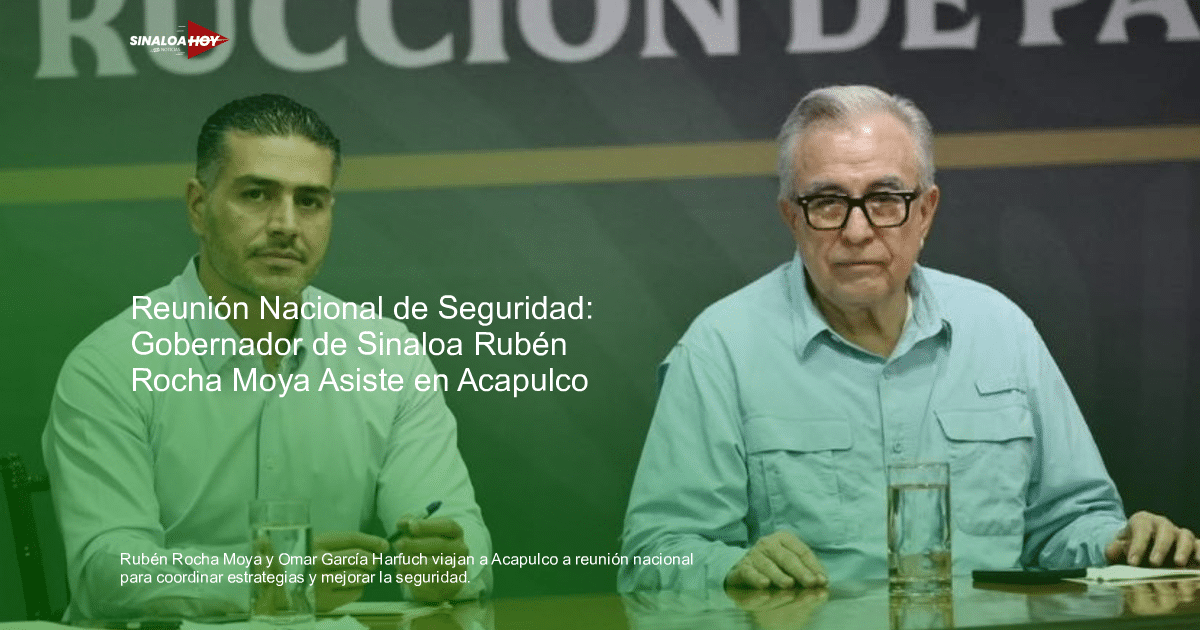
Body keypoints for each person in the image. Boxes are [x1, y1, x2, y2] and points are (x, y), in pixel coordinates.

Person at [618, 85, 1198, 591]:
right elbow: (653, 553)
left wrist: (1121, 544)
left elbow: (1066, 523)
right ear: (791, 218)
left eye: (885, 200)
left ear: (925, 211)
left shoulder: (1001, 328)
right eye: (826, 202)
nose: (856, 230)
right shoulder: (721, 348)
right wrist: (731, 568)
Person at [43, 94, 491, 620]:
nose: (286, 224)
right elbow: (109, 574)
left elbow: (459, 532)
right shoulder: (110, 366)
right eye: (256, 195)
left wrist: (447, 567)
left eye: (310, 202)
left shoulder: (389, 355)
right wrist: (277, 578)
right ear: (197, 206)